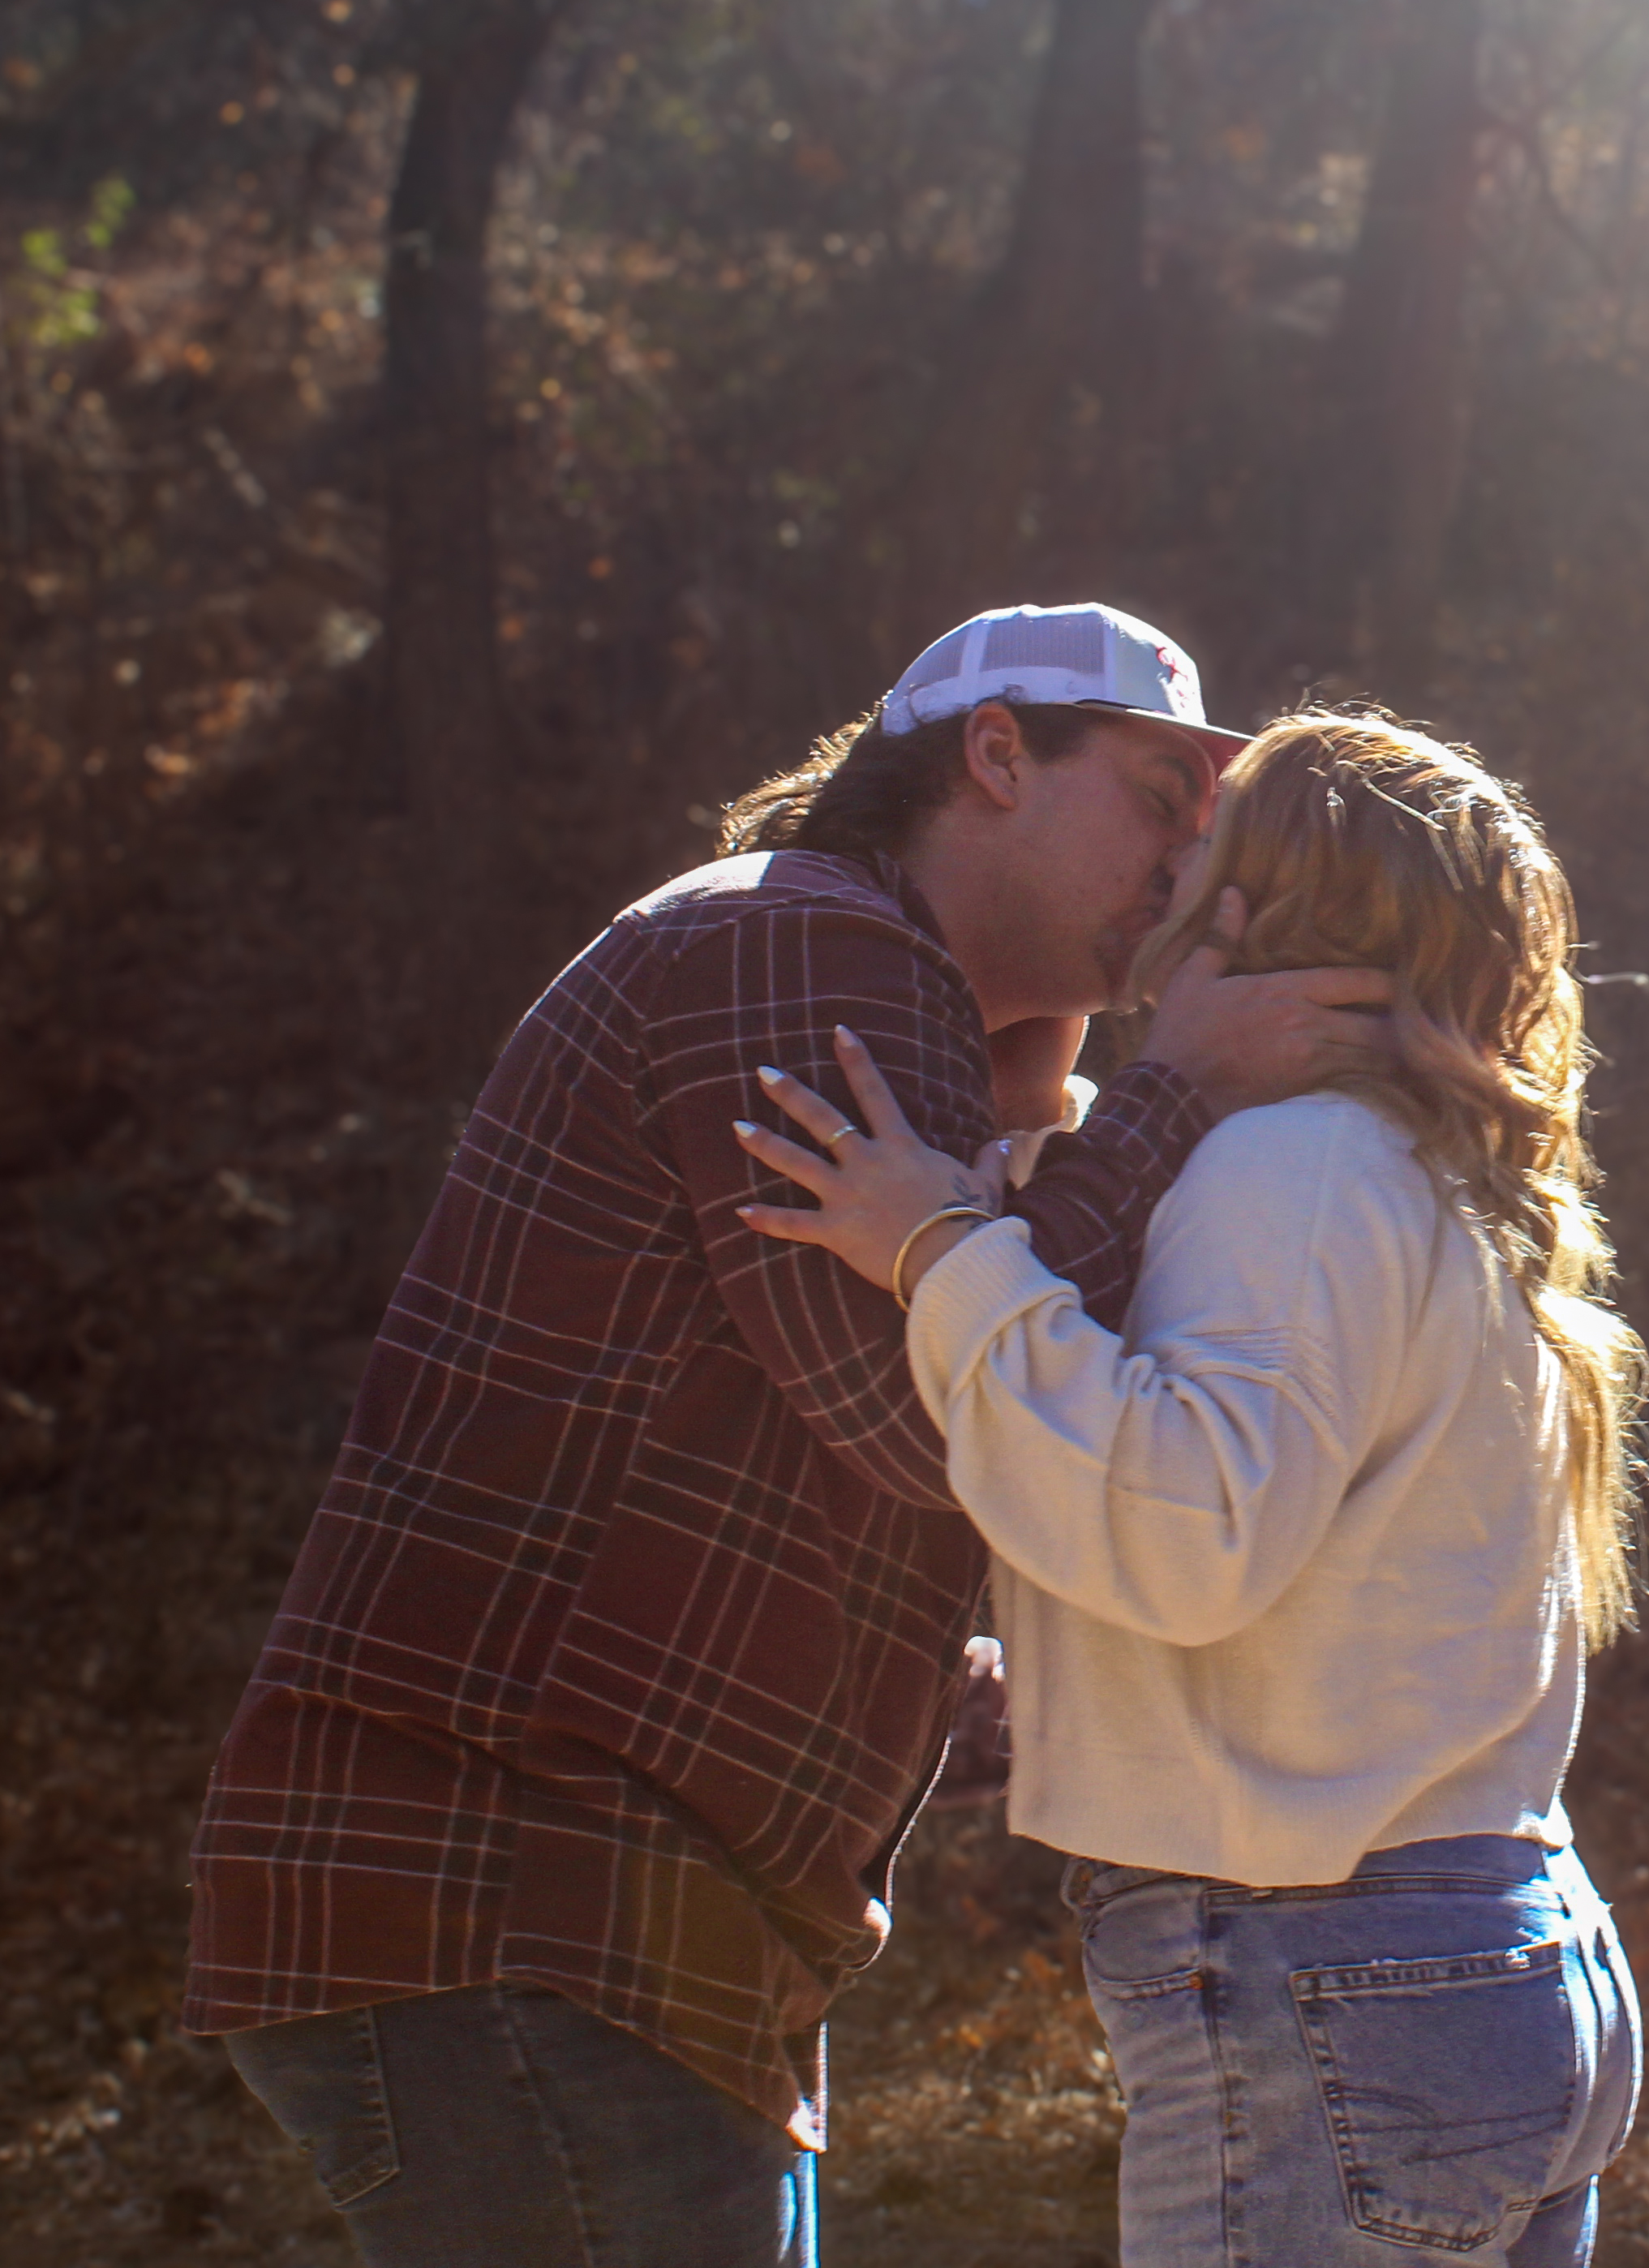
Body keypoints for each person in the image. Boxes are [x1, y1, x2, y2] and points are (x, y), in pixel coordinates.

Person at [184, 604, 1398, 2268]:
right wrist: (1175, 1084)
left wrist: (1044, 1113)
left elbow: (874, 1482)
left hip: (619, 1942)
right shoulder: (804, 944)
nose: (1195, 854)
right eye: (1158, 791)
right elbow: (939, 1413)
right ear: (993, 756)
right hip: (523, 1901)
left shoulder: (864, 990)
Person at [736, 709, 1649, 2267]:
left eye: (1203, 838)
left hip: (1328, 1967)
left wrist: (939, 1255)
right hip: (1492, 1951)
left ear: (1256, 902)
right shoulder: (1441, 1186)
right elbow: (1291, 1566)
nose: (1166, 861)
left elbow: (1186, 1532)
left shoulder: (1290, 1170)